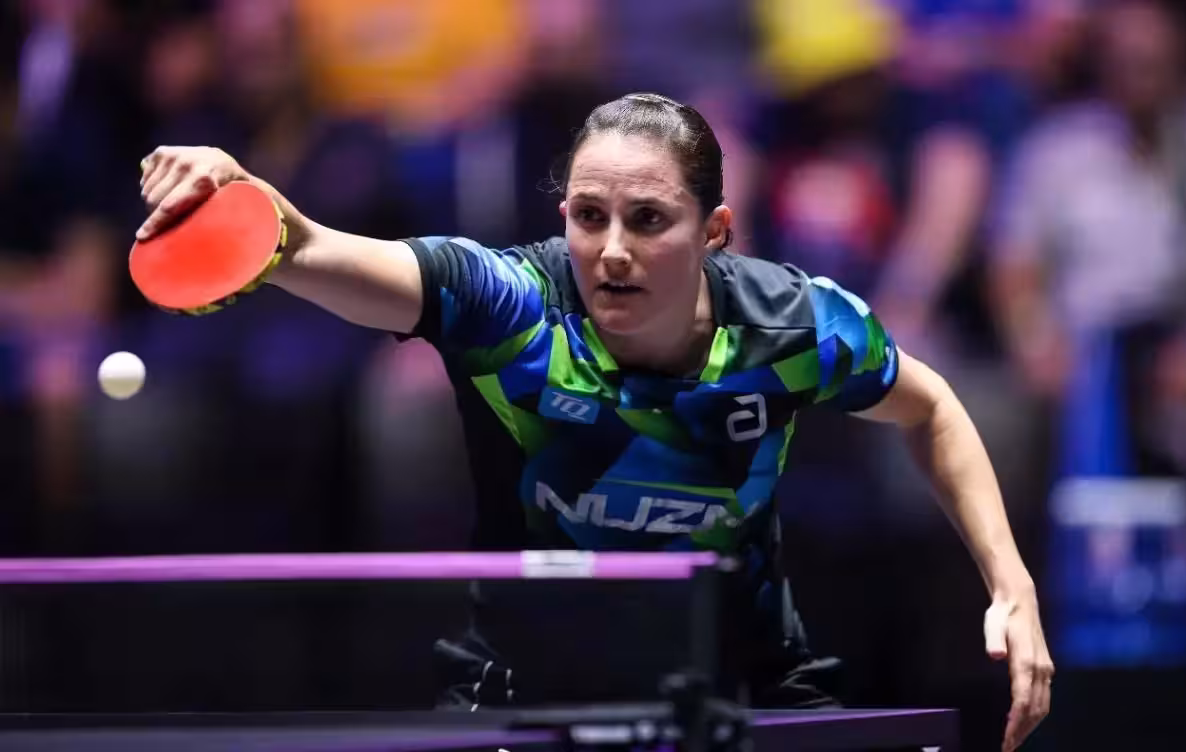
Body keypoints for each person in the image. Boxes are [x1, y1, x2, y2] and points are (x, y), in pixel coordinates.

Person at [136, 92, 1052, 751]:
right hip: (523, 692)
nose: (611, 250)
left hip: (746, 687)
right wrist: (250, 201)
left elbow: (932, 405)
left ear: (716, 230)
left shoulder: (792, 327)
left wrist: (1010, 582)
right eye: (589, 215)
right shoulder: (509, 307)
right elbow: (313, 245)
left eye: (648, 219)